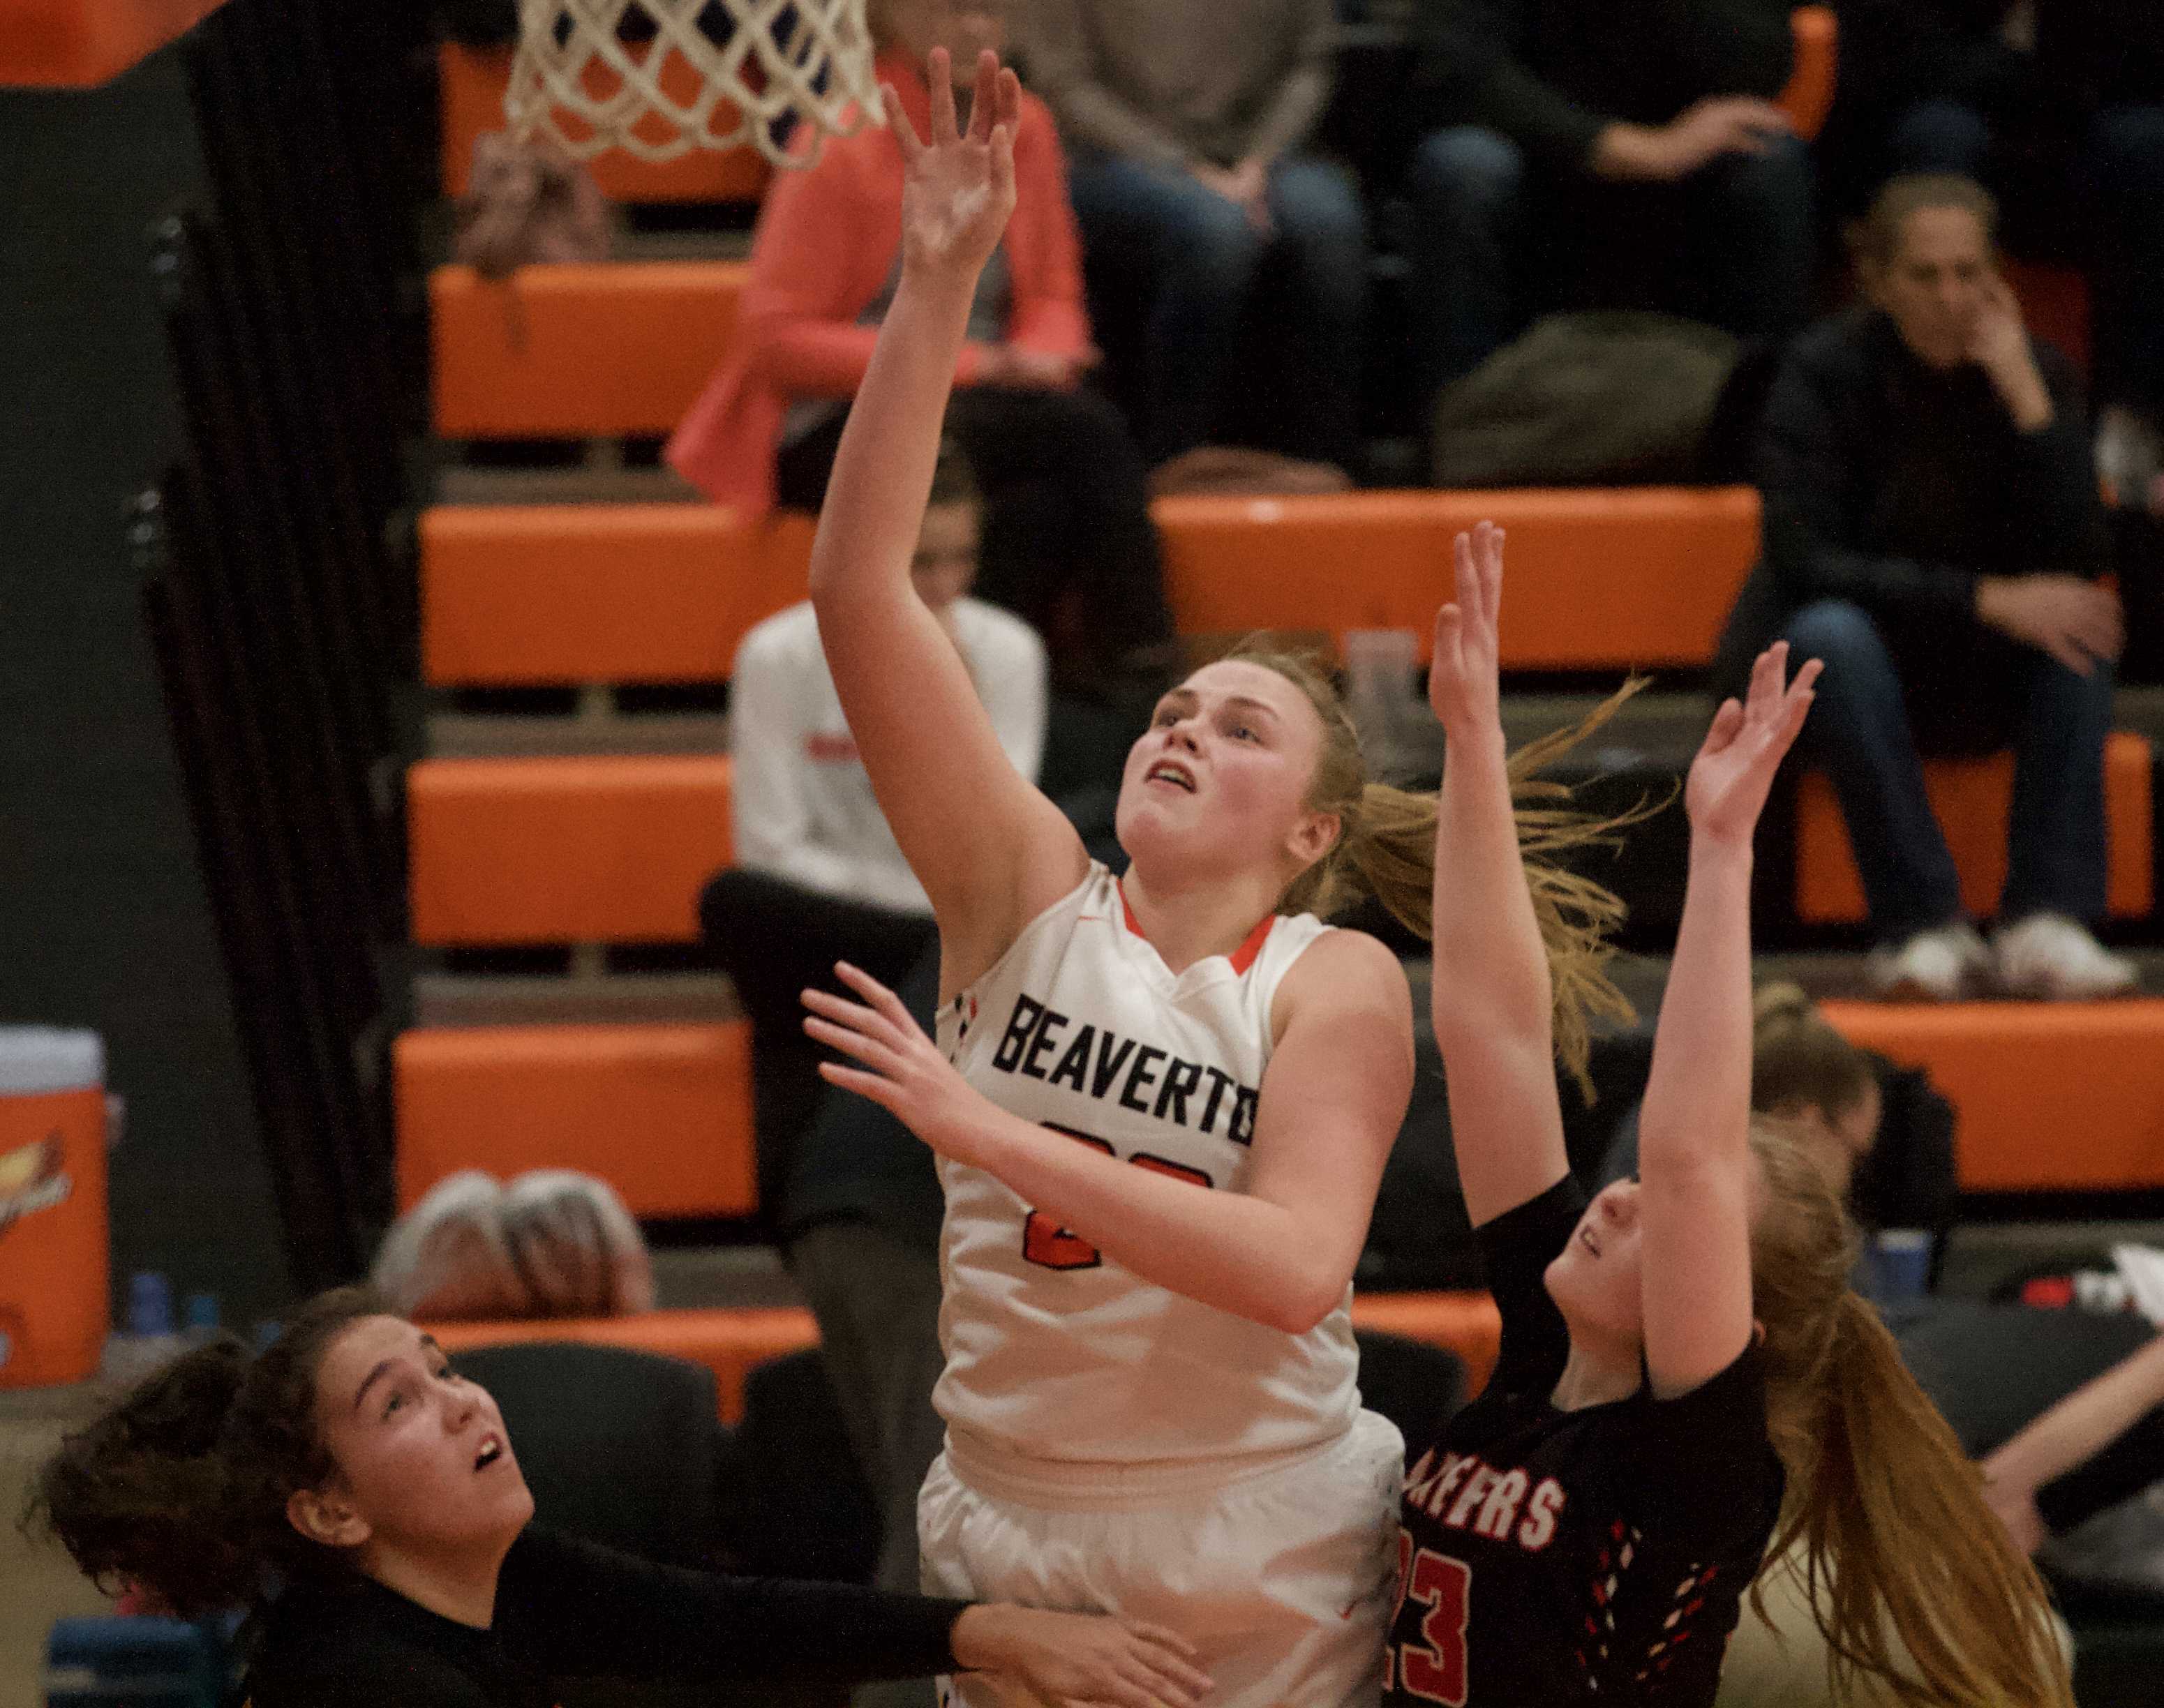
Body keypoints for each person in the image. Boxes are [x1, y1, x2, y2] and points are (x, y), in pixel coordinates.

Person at [792, 49, 1629, 1706]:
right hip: (1012, 1510)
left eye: (1238, 726)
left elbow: (1295, 1263)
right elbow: (855, 593)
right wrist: (942, 279)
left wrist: (980, 1128)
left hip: (1247, 1527)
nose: (1182, 725)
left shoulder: (1329, 978)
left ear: (1310, 829)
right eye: (1175, 707)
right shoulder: (1026, 886)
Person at [1396, 520, 2073, 1706]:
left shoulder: (1688, 1473)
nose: (1615, 1192)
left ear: (1725, 1325)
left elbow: (1694, 1151)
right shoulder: (1543, 1360)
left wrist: (1720, 852)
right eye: (1642, 1198)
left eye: (1661, 1217)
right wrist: (1474, 747)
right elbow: (1494, 1028)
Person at [28, 1287, 1211, 1708]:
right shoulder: (359, 1679)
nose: (461, 1401)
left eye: (444, 1367)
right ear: (331, 1510)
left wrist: (985, 1629)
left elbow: (724, 1620)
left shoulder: (497, 1579)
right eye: (398, 1403)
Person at [665, 0, 1172, 696]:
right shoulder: (839, 134)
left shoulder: (1027, 127)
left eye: (987, 9)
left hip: (983, 401)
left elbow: (1053, 294)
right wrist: (979, 365)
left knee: (1044, 504)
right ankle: (1133, 675)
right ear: (888, 17)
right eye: (946, 8)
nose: (970, 27)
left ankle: (1054, 711)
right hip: (836, 414)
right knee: (1049, 439)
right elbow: (776, 341)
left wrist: (1040, 355)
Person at [1715, 172, 2136, 1001]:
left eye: (1970, 274)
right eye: (1924, 276)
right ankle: (1919, 927)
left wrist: (2024, 398)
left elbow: (2083, 552)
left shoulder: (2037, 374)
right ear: (1875, 283)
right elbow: (1802, 558)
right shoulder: (1817, 374)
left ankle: (2048, 919)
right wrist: (1984, 599)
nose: (1952, 298)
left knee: (2080, 620)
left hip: (1976, 669)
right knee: (1831, 631)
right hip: (1840, 676)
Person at [701, 440, 1043, 1208]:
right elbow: (769, 849)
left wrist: (940, 701)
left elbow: (994, 838)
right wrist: (908, 908)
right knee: (734, 901)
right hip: (840, 929)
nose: (945, 586)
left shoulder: (1006, 652)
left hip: (952, 924)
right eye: (922, 563)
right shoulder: (778, 655)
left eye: (963, 560)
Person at [1402, 0, 1813, 409]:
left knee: (1771, 160)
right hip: (1535, 149)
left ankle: (1758, 432)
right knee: (1463, 165)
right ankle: (1466, 436)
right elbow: (1457, 61)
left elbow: (1764, 55)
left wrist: (1670, 145)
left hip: (1689, 156)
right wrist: (1619, 147)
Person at [1024, 0, 1368, 472]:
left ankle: (1327, 468)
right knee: (1216, 232)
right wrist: (1181, 166)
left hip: (1260, 152)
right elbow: (1066, 83)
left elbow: (1309, 66)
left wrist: (1259, 159)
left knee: (1328, 224)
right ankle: (1174, 461)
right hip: (1112, 155)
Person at [1594, 983, 1960, 1293]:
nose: (1851, 1176)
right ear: (1801, 1118)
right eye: (1855, 1153)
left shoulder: (1667, 1123)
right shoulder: (1708, 1201)